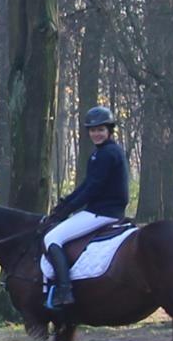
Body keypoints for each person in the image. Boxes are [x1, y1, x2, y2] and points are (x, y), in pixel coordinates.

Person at [40, 106, 129, 317]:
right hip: (102, 209)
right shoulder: (101, 153)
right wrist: (65, 204)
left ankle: (64, 291)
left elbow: (92, 188)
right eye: (92, 130)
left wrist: (67, 210)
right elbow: (86, 185)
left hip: (103, 212)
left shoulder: (107, 154)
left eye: (100, 129)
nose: (96, 134)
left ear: (109, 130)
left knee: (52, 237)